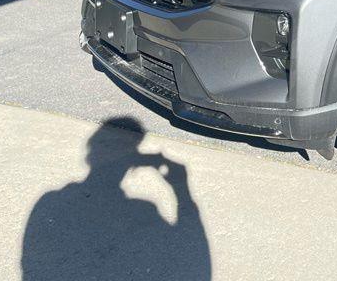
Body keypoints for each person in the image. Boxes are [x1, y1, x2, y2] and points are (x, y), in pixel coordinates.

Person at [21, 116, 211, 280]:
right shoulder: (144, 210)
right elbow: (197, 264)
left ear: (89, 155)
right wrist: (182, 189)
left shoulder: (50, 201)